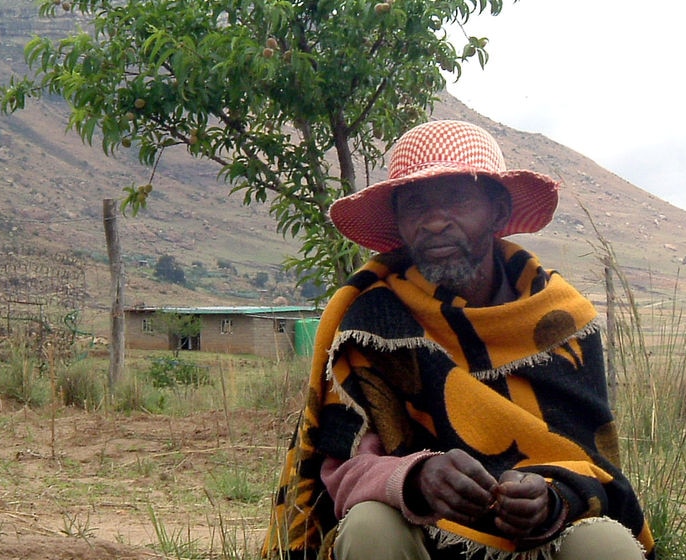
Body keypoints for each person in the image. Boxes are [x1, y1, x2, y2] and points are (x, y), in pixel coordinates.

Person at [262, 120, 656, 560]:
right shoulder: (373, 319)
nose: (433, 222)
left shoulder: (561, 320)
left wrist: (552, 499)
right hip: (422, 532)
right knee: (370, 524)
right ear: (398, 223)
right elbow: (340, 471)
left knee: (607, 545)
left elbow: (597, 470)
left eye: (456, 198)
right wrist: (414, 477)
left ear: (498, 212)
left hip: (541, 542)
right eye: (414, 206)